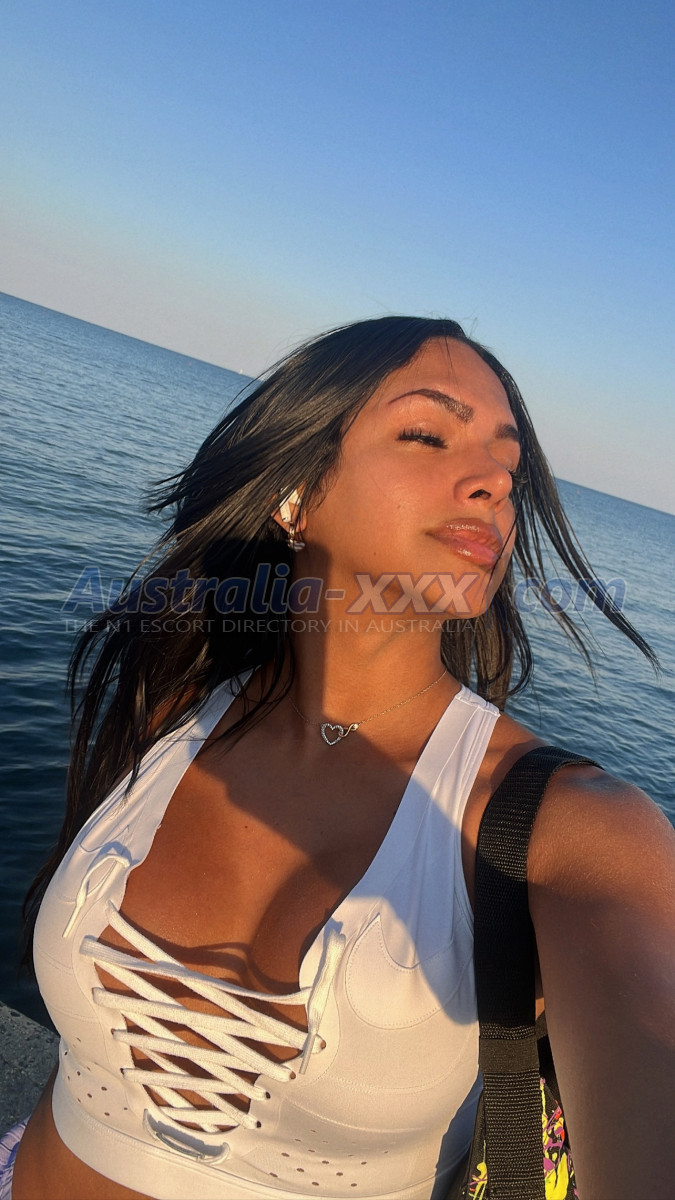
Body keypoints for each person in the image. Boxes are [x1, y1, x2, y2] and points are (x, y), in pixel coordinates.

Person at [8, 317, 674, 1200]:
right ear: (294, 492)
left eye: (508, 468)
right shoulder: (171, 704)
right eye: (426, 435)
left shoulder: (569, 829)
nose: (492, 484)